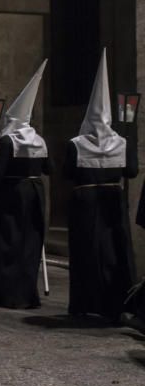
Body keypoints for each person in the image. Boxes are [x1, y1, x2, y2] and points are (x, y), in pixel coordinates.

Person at [65, 50, 137, 323]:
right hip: (113, 201)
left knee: (86, 252)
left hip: (84, 202)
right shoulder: (122, 143)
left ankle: (85, 302)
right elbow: (131, 172)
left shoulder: (76, 143)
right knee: (114, 251)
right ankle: (117, 303)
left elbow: (68, 173)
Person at [0, 60, 51, 309]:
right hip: (35, 193)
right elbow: (49, 169)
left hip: (12, 194)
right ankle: (28, 293)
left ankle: (9, 293)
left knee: (8, 241)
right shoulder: (39, 141)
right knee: (30, 243)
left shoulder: (7, 141)